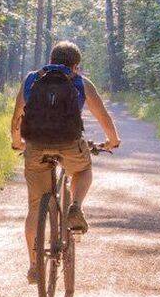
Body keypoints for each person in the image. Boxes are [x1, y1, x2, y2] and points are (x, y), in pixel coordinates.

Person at [11, 42, 121, 284]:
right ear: (76, 65)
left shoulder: (32, 79)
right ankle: (76, 206)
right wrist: (112, 140)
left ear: (50, 58)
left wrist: (17, 142)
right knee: (83, 169)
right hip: (70, 144)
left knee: (34, 207)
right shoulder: (79, 81)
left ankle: (34, 265)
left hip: (36, 146)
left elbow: (18, 114)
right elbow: (102, 115)